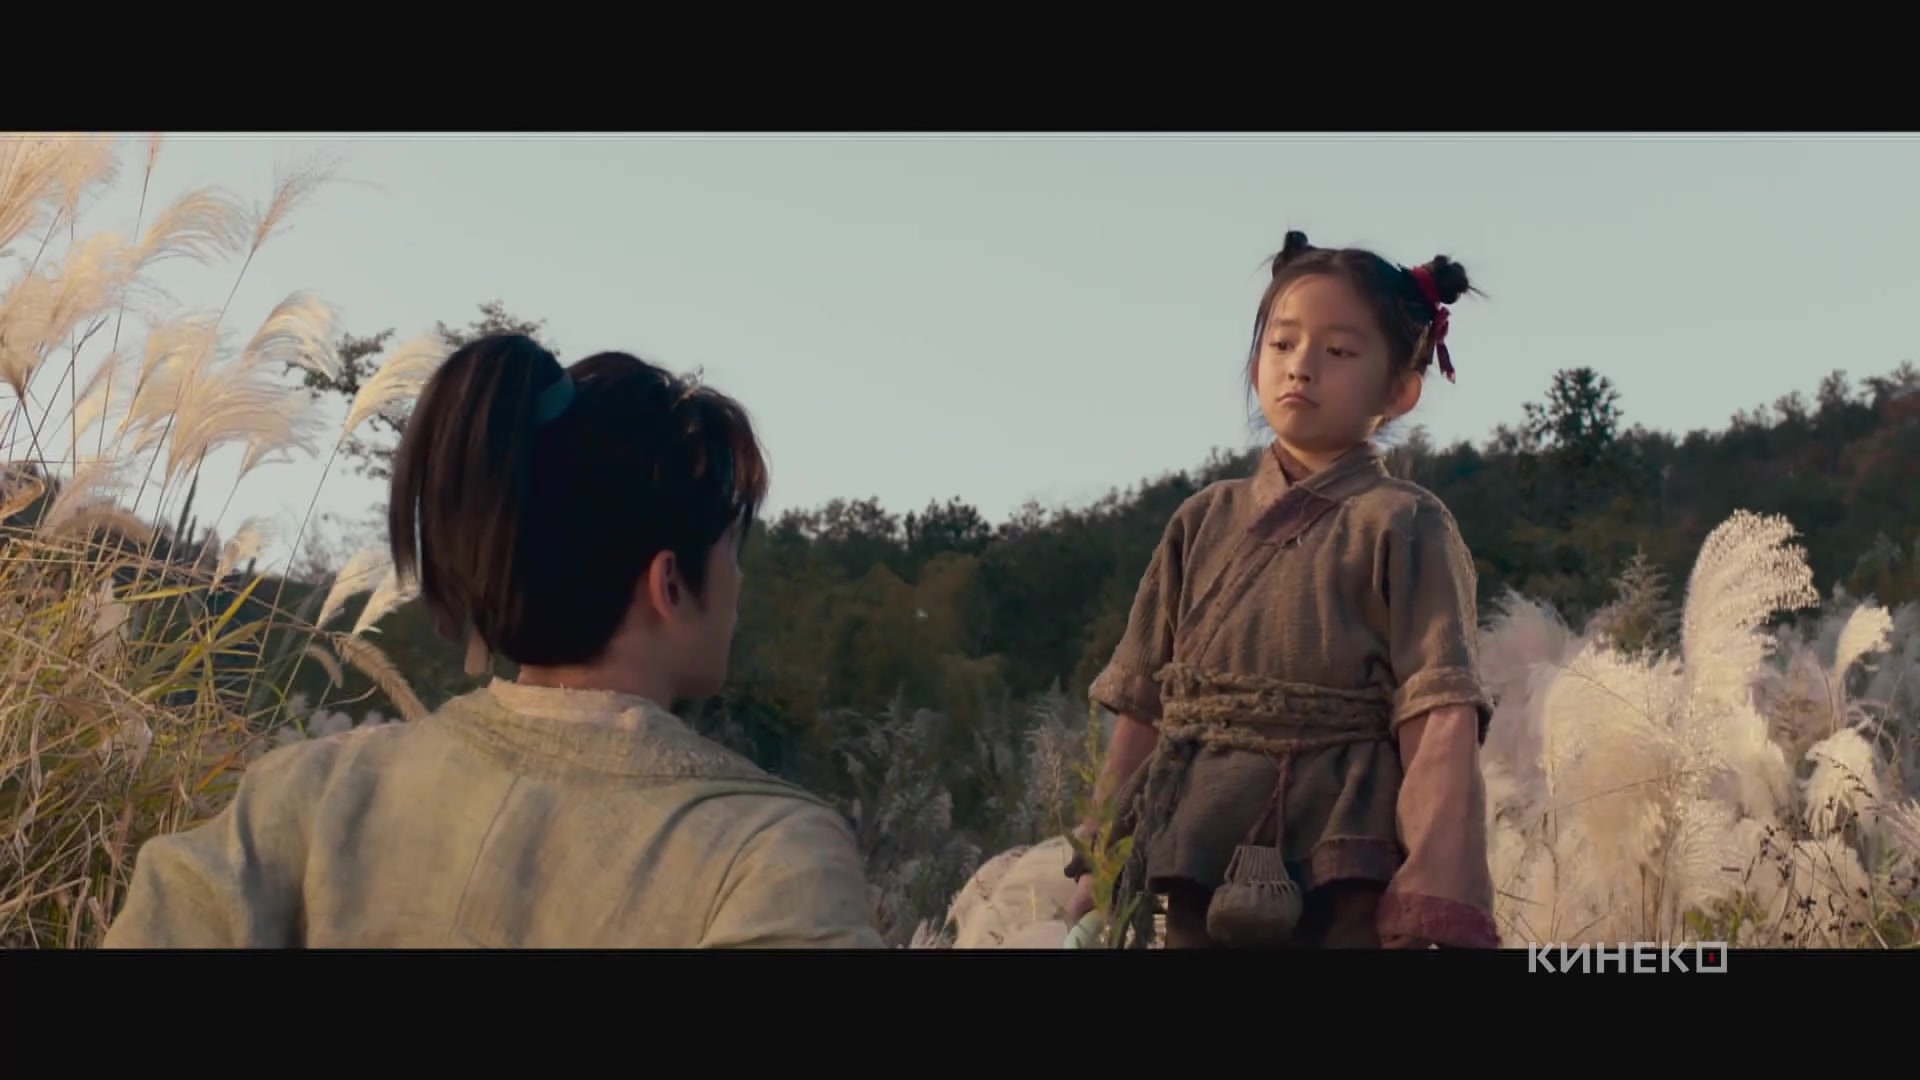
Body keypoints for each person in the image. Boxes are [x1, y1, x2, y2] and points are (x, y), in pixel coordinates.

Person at [105, 335, 885, 949]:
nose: (740, 585)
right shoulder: (770, 853)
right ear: (670, 582)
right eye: (732, 552)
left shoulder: (305, 795)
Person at [1063, 231, 1498, 949]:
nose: (1302, 366)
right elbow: (1144, 707)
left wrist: (1432, 878)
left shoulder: (1404, 522)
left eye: (1339, 351)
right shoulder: (1202, 518)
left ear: (1399, 389)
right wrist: (1102, 856)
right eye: (1282, 343)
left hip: (1344, 839)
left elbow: (1439, 713)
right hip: (1192, 829)